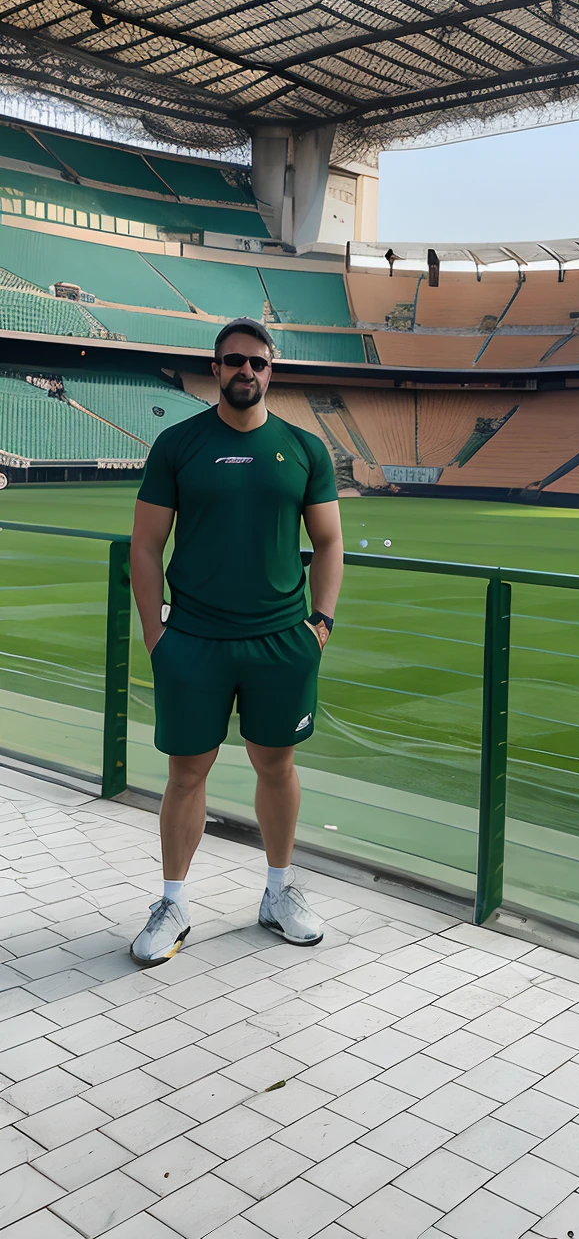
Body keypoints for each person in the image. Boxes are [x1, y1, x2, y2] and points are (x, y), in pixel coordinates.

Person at [128, 318, 344, 966]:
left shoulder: (305, 449)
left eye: (256, 361)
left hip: (282, 640)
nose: (245, 371)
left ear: (271, 370)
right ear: (215, 369)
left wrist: (320, 625)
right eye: (233, 361)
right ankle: (172, 903)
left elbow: (330, 543)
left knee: (276, 766)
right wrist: (154, 633)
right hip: (193, 638)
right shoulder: (178, 445)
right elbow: (144, 544)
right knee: (185, 773)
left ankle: (278, 893)